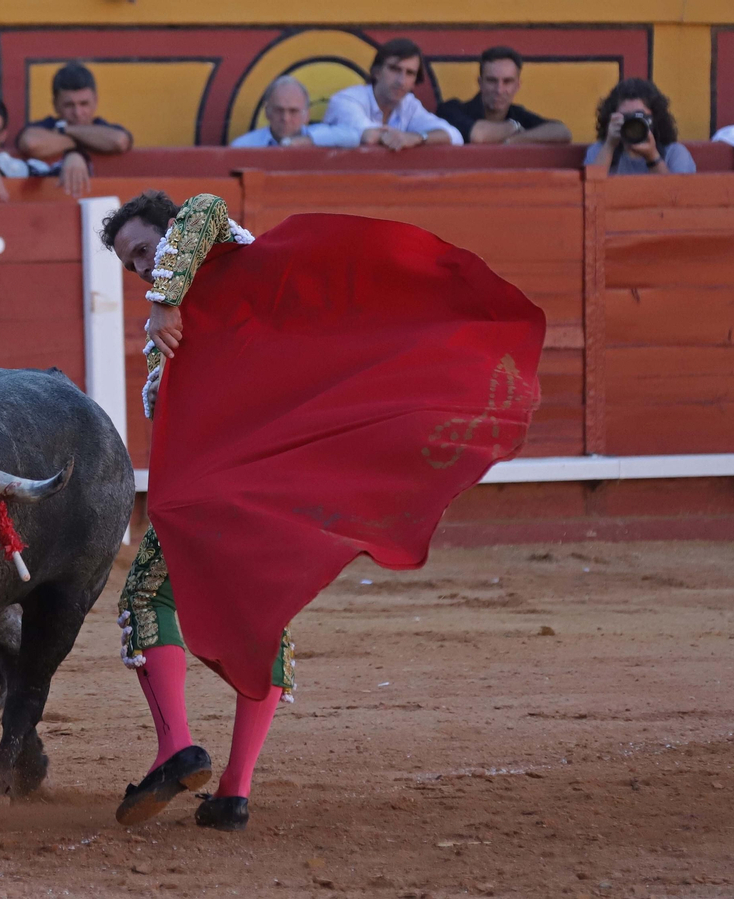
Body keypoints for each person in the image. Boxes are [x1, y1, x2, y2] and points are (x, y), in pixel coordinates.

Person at [100, 189, 544, 832]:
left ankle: (176, 749)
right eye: (132, 266)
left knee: (146, 592)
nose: (142, 270)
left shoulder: (215, 260)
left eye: (144, 251)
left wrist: (165, 299)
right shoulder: (194, 315)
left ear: (168, 236)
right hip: (264, 482)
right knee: (262, 611)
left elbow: (203, 207)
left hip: (239, 485)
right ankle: (232, 793)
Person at [324, 38, 462, 150]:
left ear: (414, 83)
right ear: (377, 72)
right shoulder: (346, 100)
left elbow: (454, 136)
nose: (401, 81)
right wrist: (403, 137)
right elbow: (369, 136)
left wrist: (416, 138)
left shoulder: (409, 104)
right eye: (394, 69)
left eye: (410, 73)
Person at [16, 62, 130, 197]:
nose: (77, 112)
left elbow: (119, 141)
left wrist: (65, 131)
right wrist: (77, 149)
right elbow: (30, 143)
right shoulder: (46, 126)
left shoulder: (102, 127)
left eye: (84, 104)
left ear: (95, 101)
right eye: (69, 105)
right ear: (55, 105)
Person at [435, 47, 571, 144]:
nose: (499, 89)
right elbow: (479, 135)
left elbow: (562, 132)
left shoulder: (517, 114)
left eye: (507, 81)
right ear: (480, 83)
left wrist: (512, 140)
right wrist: (514, 127)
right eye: (492, 81)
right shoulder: (450, 110)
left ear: (518, 86)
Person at [585, 78, 695, 175]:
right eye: (625, 117)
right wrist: (609, 145)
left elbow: (676, 194)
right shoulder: (600, 151)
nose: (633, 122)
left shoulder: (675, 153)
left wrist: (652, 157)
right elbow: (592, 188)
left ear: (655, 119)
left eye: (639, 116)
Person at [230, 75, 361, 148]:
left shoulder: (318, 136)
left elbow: (353, 136)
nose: (286, 118)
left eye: (293, 111)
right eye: (278, 110)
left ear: (307, 115)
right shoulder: (244, 146)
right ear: (267, 113)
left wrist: (308, 141)